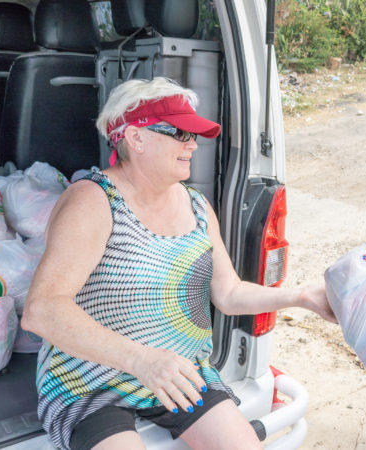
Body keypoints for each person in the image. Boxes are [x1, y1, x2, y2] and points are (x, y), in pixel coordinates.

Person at [21, 77, 336, 450]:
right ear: (135, 138)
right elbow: (42, 311)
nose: (192, 144)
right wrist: (143, 362)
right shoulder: (93, 201)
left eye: (194, 135)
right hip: (90, 377)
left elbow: (229, 292)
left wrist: (302, 298)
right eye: (179, 133)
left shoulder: (197, 205)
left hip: (177, 372)